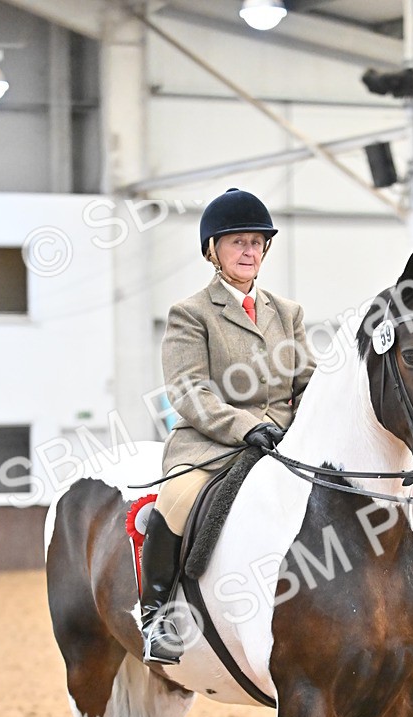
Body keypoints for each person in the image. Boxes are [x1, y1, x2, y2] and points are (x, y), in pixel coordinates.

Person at [140, 187, 315, 665]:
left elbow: (309, 380)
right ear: (212, 251)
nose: (249, 251)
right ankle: (156, 615)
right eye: (237, 241)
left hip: (282, 441)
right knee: (176, 500)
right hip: (213, 443)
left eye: (257, 242)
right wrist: (244, 427)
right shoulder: (191, 314)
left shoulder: (288, 313)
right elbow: (189, 391)